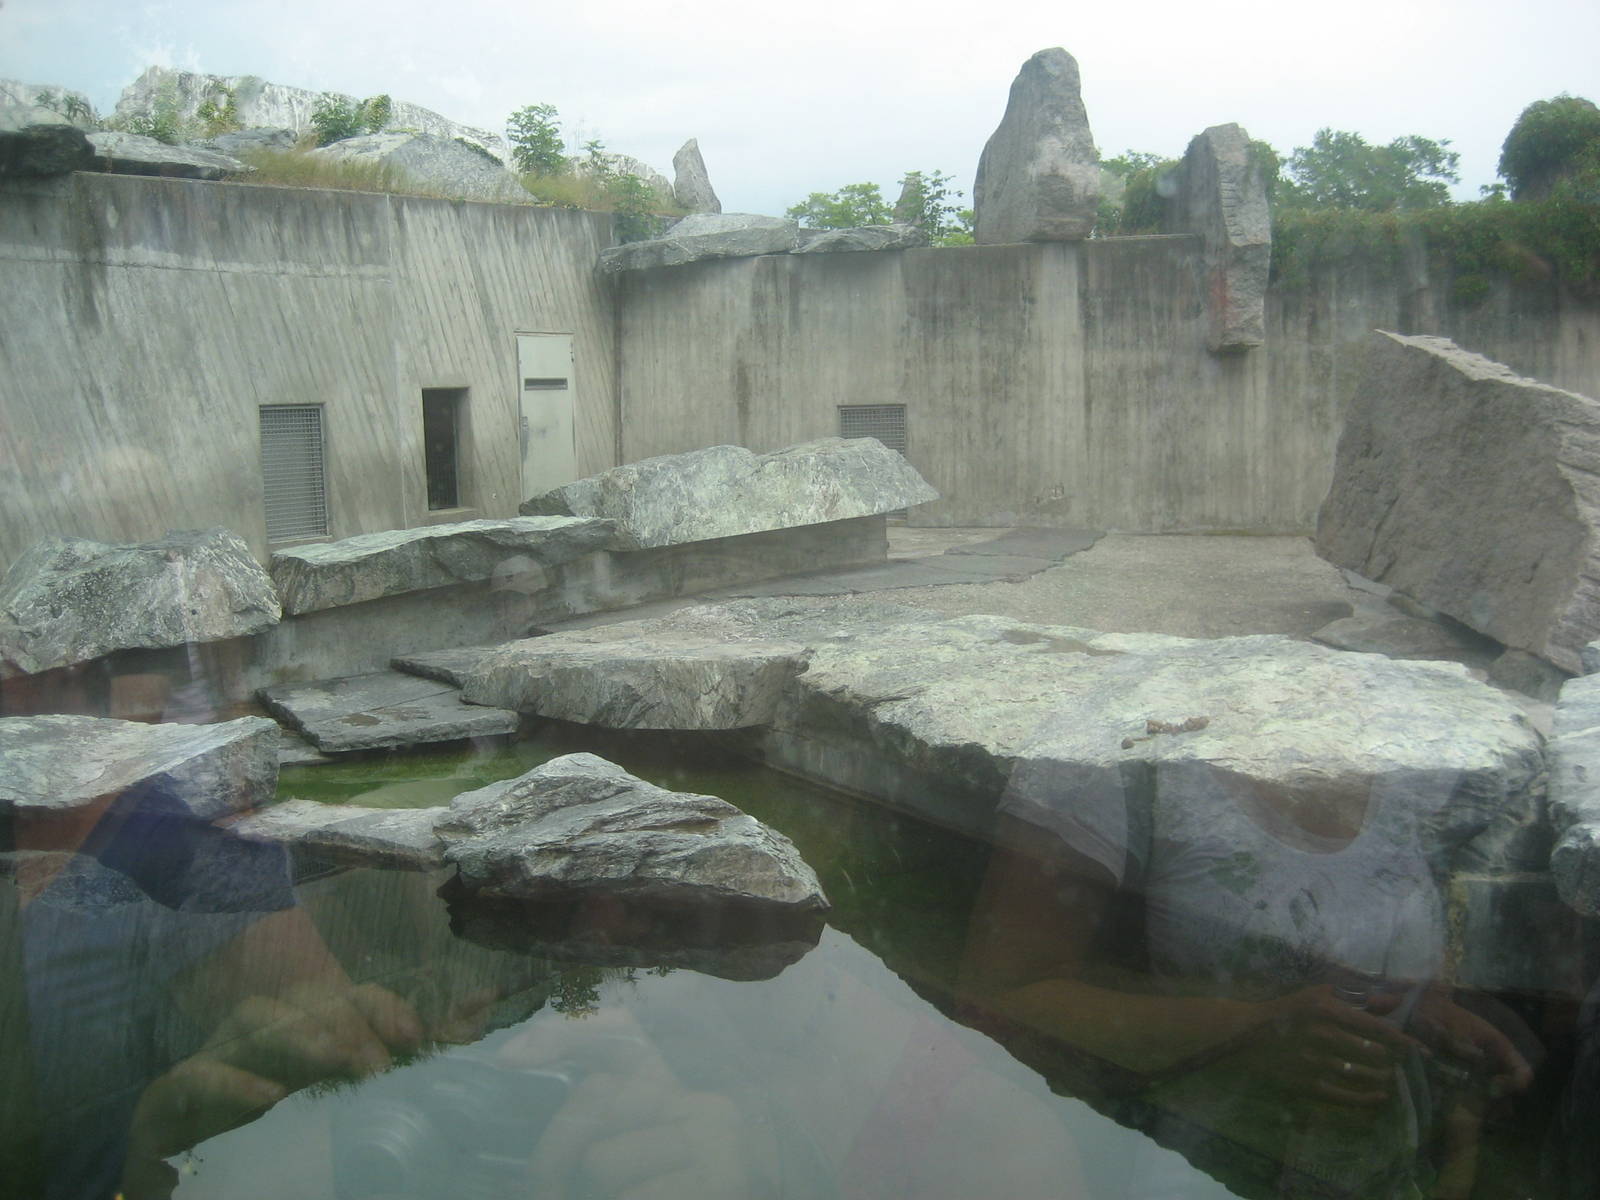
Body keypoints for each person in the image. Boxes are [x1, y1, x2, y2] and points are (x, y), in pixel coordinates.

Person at [958, 749, 1534, 1199]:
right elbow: (998, 1000)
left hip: (1383, 1169)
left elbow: (1358, 927)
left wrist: (1420, 1013)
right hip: (1198, 1171)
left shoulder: (1402, 731)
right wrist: (1251, 1031)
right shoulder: (1107, 762)